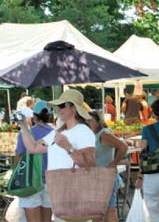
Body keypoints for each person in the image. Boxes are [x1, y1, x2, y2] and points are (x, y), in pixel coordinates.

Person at [17, 89, 96, 221]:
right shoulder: (59, 131)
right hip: (59, 193)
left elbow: (90, 163)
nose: (59, 109)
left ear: (73, 108)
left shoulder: (83, 131)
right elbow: (33, 148)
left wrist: (68, 147)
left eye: (62, 105)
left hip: (73, 193)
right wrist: (23, 126)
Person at [86, 111, 128, 222]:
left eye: (90, 120)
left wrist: (113, 164)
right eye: (86, 120)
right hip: (99, 177)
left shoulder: (103, 134)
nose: (87, 122)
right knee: (104, 210)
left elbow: (123, 147)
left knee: (106, 211)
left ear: (98, 121)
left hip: (104, 177)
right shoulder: (94, 134)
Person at [15, 100, 53, 222]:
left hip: (29, 181)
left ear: (34, 116)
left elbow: (18, 155)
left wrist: (15, 174)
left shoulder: (26, 133)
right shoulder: (55, 133)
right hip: (50, 181)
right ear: (50, 116)